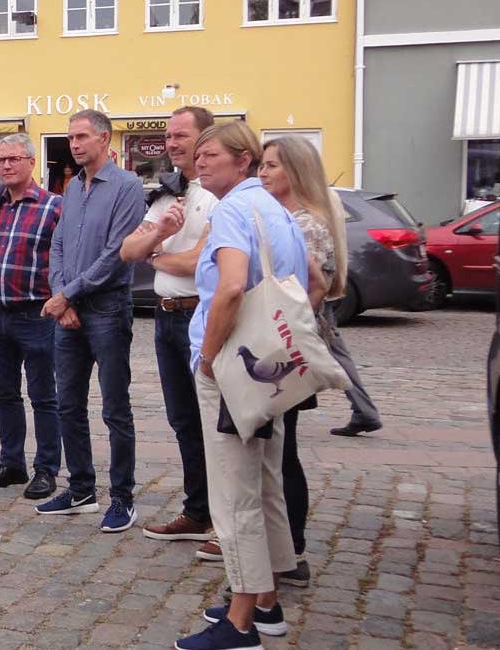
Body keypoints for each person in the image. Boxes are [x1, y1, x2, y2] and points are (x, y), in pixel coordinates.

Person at [175, 121, 313, 650]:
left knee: (236, 496)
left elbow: (230, 286)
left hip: (236, 366)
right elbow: (313, 284)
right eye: (199, 154)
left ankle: (240, 623)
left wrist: (208, 358)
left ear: (242, 160)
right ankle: (269, 604)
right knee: (268, 482)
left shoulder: (233, 210)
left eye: (211, 154)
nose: (200, 161)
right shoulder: (276, 208)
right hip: (272, 365)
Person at [37, 110, 146, 533]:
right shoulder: (72, 188)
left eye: (82, 136)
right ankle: (81, 487)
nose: (75, 144)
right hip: (70, 310)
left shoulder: (126, 186)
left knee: (115, 407)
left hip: (107, 309)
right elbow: (58, 244)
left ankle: (123, 497)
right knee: (68, 403)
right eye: (70, 137)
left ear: (104, 138)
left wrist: (69, 293)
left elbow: (117, 253)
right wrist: (62, 297)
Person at [119, 106, 220, 548]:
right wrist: (159, 236)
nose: (172, 143)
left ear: (206, 139)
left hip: (201, 314)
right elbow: (128, 249)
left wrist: (156, 255)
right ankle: (198, 511)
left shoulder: (219, 193)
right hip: (165, 315)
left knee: (214, 422)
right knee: (182, 420)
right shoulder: (168, 194)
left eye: (181, 135)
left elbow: (204, 261)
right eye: (168, 136)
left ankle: (225, 519)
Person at [258, 134, 353, 587]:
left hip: (287, 349)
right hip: (284, 345)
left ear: (294, 171)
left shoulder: (306, 223)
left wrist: (287, 330)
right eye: (262, 164)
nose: (263, 172)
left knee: (281, 453)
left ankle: (290, 550)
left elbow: (311, 286)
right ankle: (284, 547)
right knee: (278, 450)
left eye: (272, 165)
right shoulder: (290, 217)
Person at [0, 133, 62, 500]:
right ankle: (12, 463)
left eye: (13, 159)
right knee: (5, 395)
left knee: (43, 396)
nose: (6, 166)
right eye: (1, 160)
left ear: (30, 163)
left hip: (36, 315)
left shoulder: (53, 206)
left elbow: (63, 260)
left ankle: (47, 469)